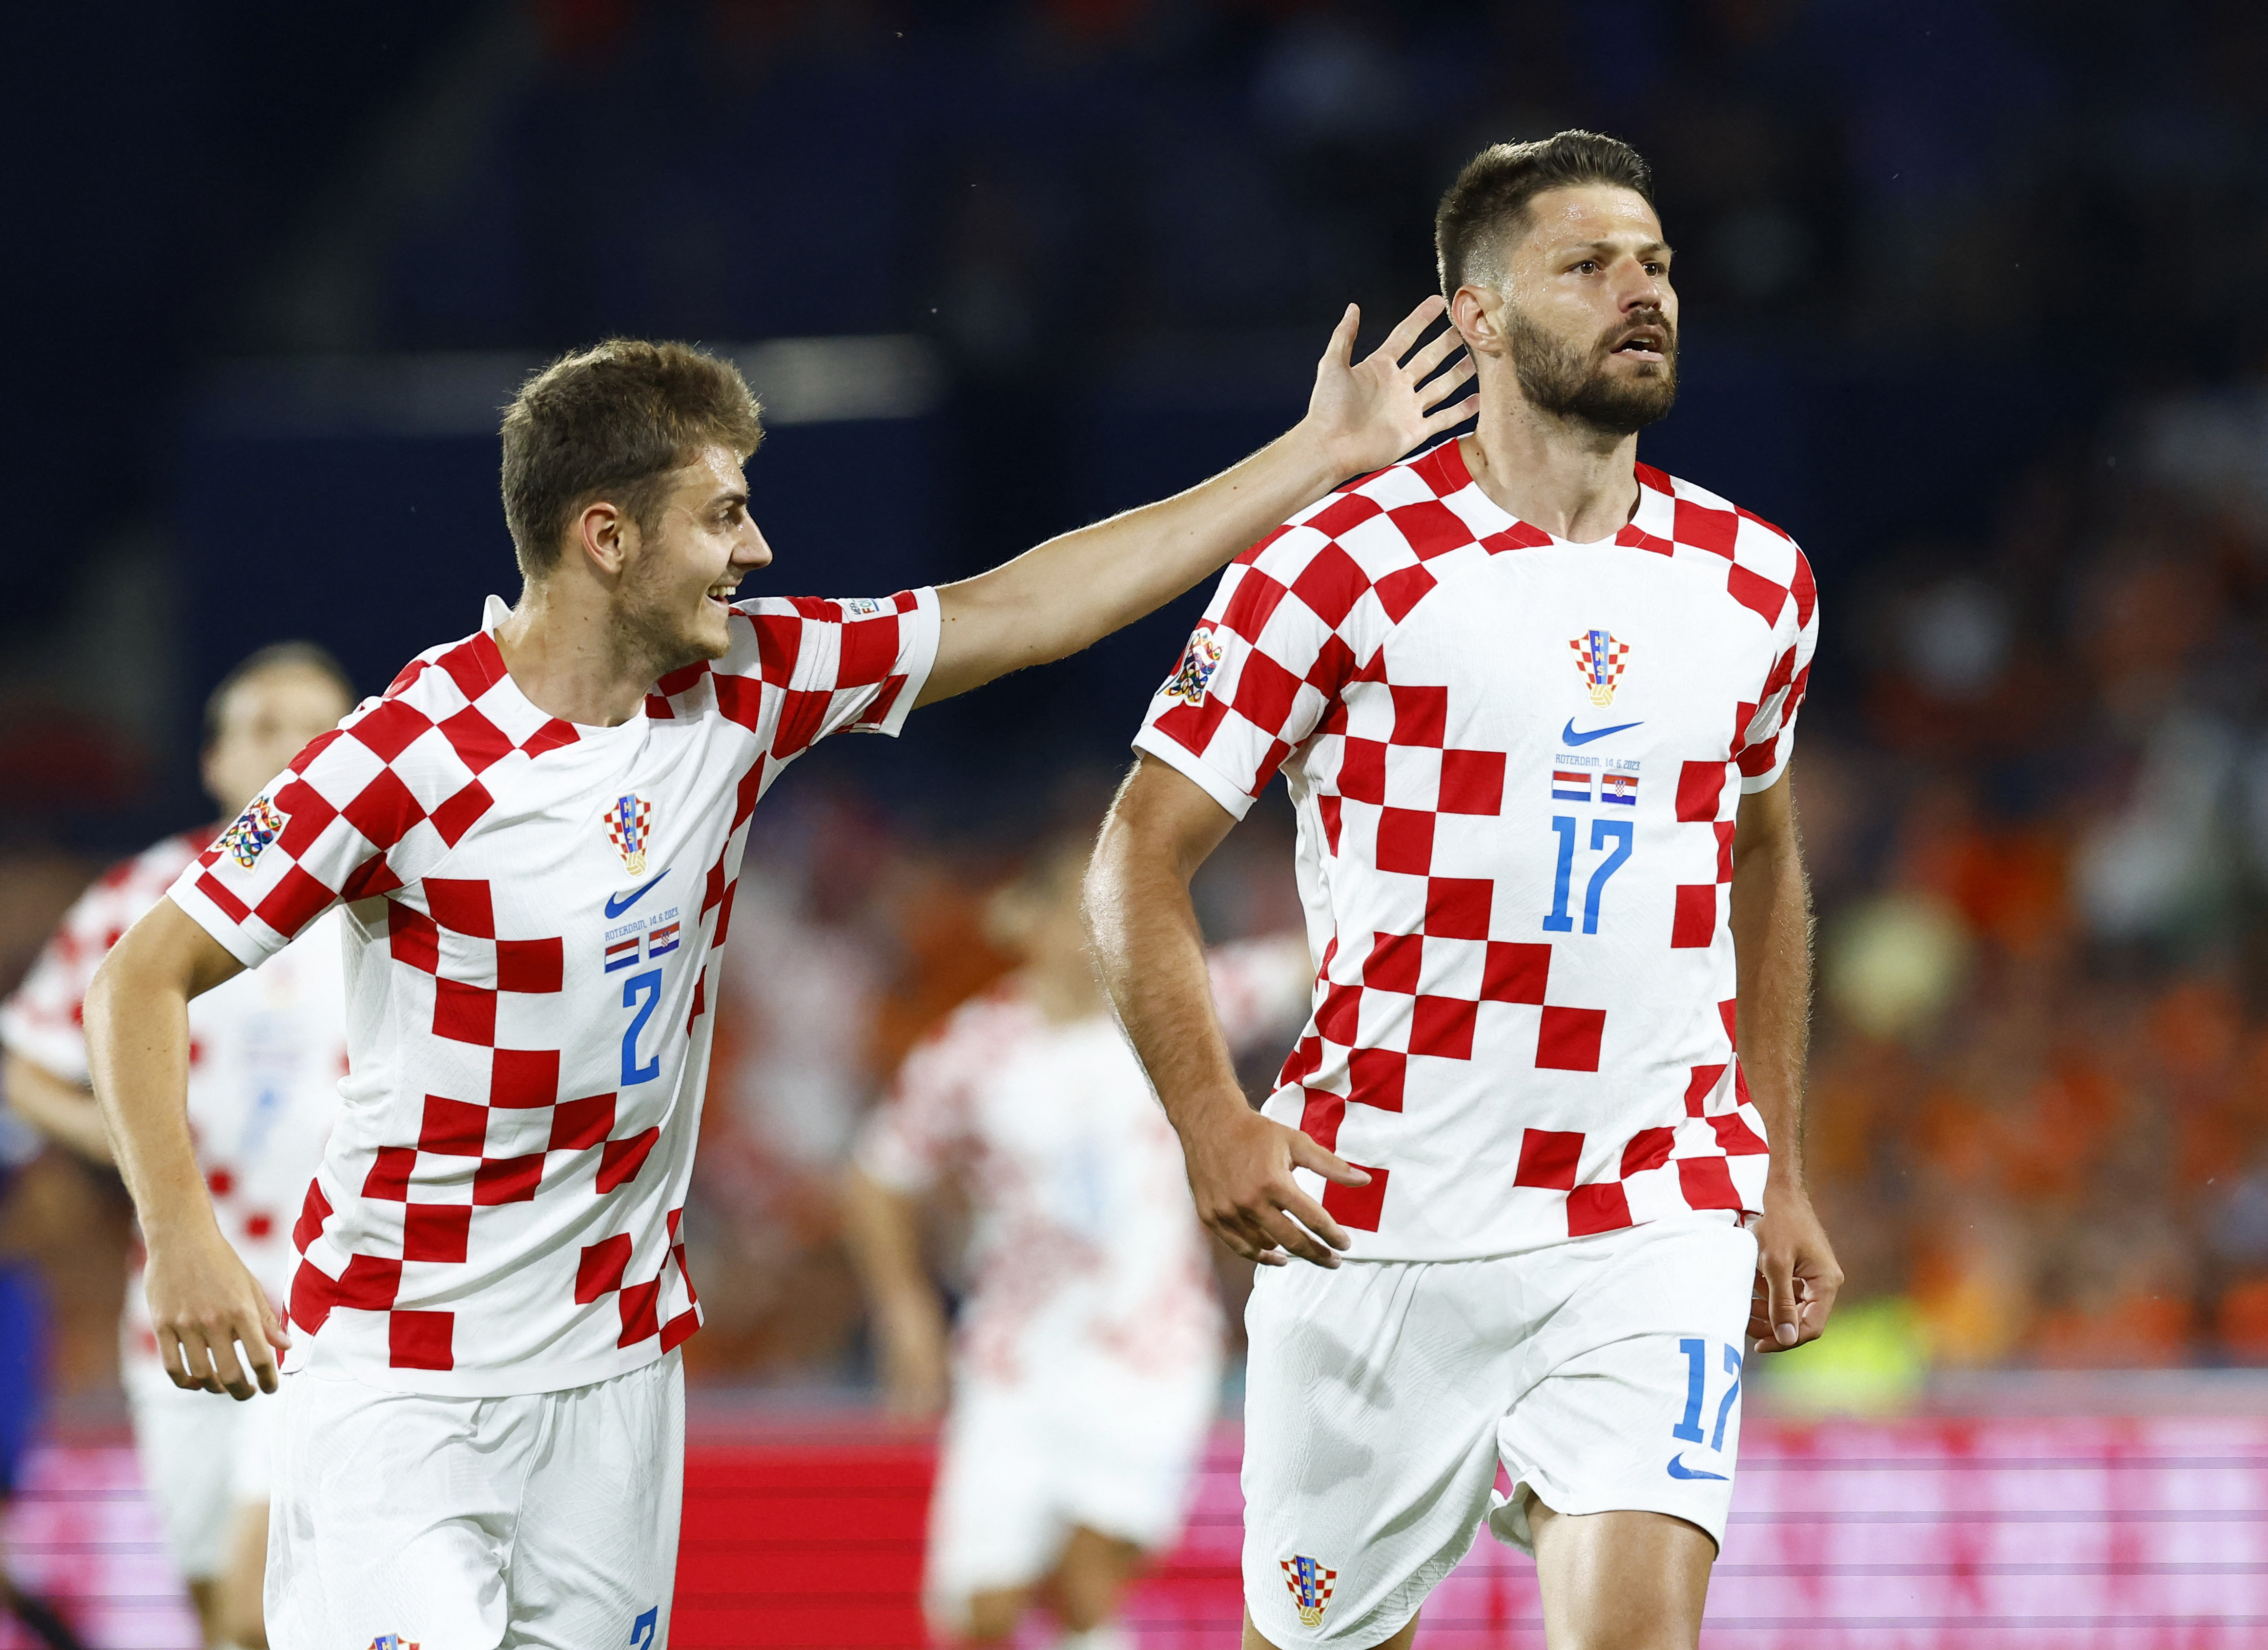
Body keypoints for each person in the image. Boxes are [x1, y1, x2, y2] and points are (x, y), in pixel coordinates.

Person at [80, 309, 1474, 1646]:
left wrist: (1310, 458)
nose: (756, 546)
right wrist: (185, 1238)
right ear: (606, 536)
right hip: (397, 1367)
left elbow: (1029, 606)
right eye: (721, 514)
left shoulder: (752, 683)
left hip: (615, 1373)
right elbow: (140, 976)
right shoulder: (407, 755)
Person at [1084, 131, 1842, 1650]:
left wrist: (1766, 1160)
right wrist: (1209, 1117)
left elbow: (1763, 859)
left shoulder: (1756, 579)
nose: (1643, 293)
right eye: (1588, 265)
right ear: (1480, 317)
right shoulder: (1338, 565)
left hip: (1648, 1204)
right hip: (1375, 1214)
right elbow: (1135, 857)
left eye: (1657, 264)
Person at [844, 833, 1309, 1650]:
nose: (1098, 926)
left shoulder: (1172, 1008)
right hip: (1014, 1359)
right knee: (980, 1617)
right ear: (1025, 922)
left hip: (1149, 1348)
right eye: (1077, 908)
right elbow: (877, 1178)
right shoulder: (972, 1052)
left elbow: (1306, 965)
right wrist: (904, 1309)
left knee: (1085, 1579)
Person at [0, 644, 355, 1650]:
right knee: (218, 1619)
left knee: (260, 1610)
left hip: (339, 1300)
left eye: (315, 726)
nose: (291, 748)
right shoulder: (149, 895)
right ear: (213, 762)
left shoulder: (389, 899)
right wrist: (135, 1141)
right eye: (262, 727)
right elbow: (25, 1060)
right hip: (183, 1305)